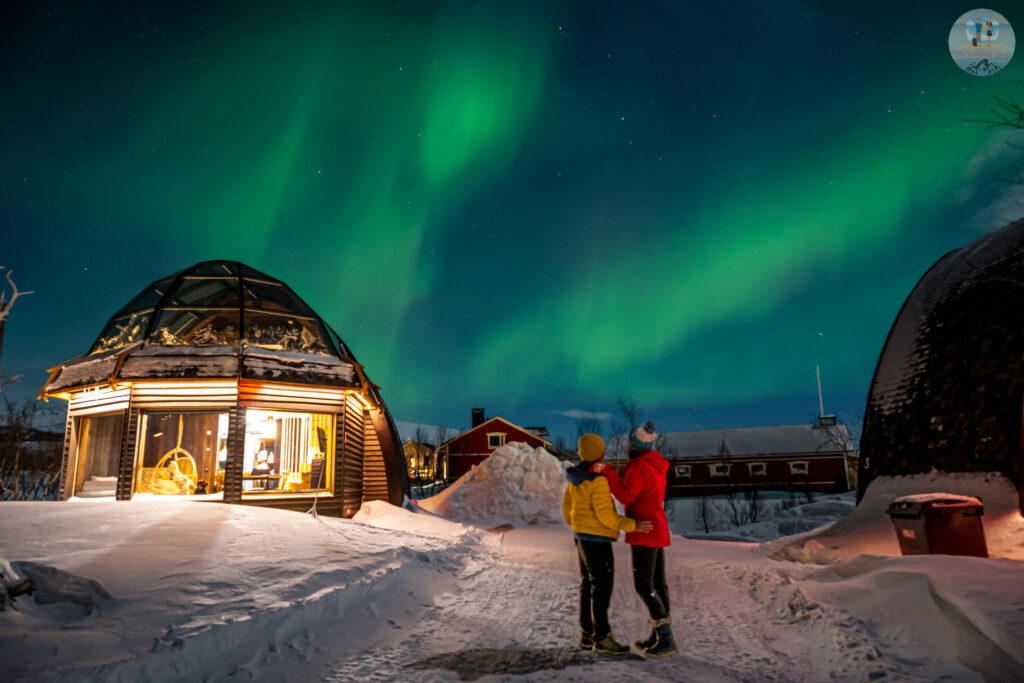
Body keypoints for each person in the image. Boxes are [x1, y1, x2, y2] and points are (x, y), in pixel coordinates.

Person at [562, 433, 652, 655]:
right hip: (598, 540)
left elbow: (567, 509)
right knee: (601, 588)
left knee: (588, 585)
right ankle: (602, 638)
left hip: (582, 537)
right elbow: (606, 517)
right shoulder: (598, 480)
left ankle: (587, 635)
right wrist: (632, 525)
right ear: (598, 454)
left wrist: (579, 525)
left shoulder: (575, 477)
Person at [592, 420, 677, 658]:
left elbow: (626, 495)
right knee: (658, 584)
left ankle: (665, 638)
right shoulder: (656, 465)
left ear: (633, 445)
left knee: (644, 586)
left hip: (645, 529)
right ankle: (660, 635)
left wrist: (608, 473)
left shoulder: (639, 467)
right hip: (658, 527)